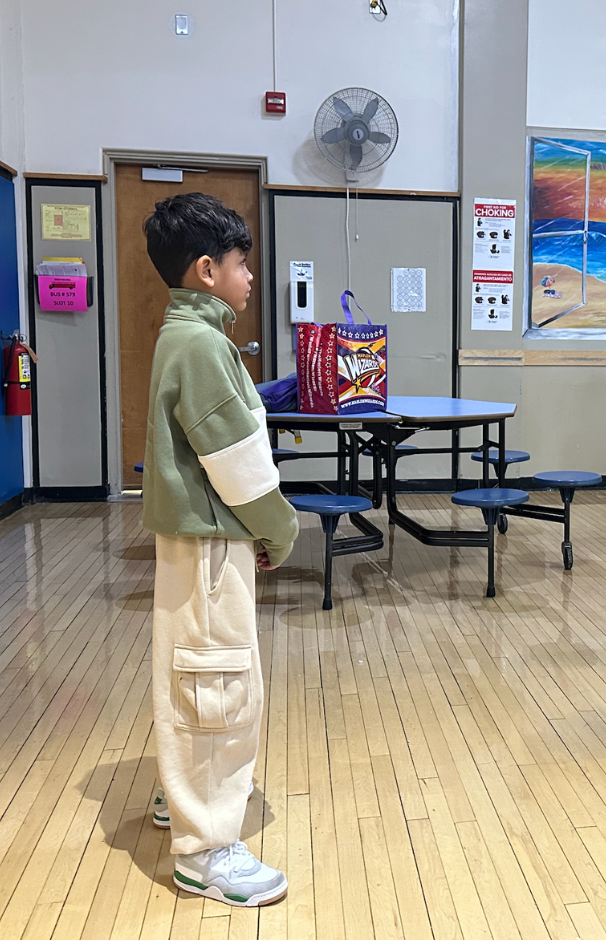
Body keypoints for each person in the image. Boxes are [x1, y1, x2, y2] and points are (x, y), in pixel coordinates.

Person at [142, 193, 299, 905]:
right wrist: (279, 526)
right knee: (219, 686)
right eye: (241, 264)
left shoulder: (189, 335)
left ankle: (184, 796)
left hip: (201, 539)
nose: (248, 277)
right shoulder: (203, 342)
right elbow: (235, 458)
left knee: (199, 673)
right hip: (211, 543)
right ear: (207, 269)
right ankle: (205, 850)